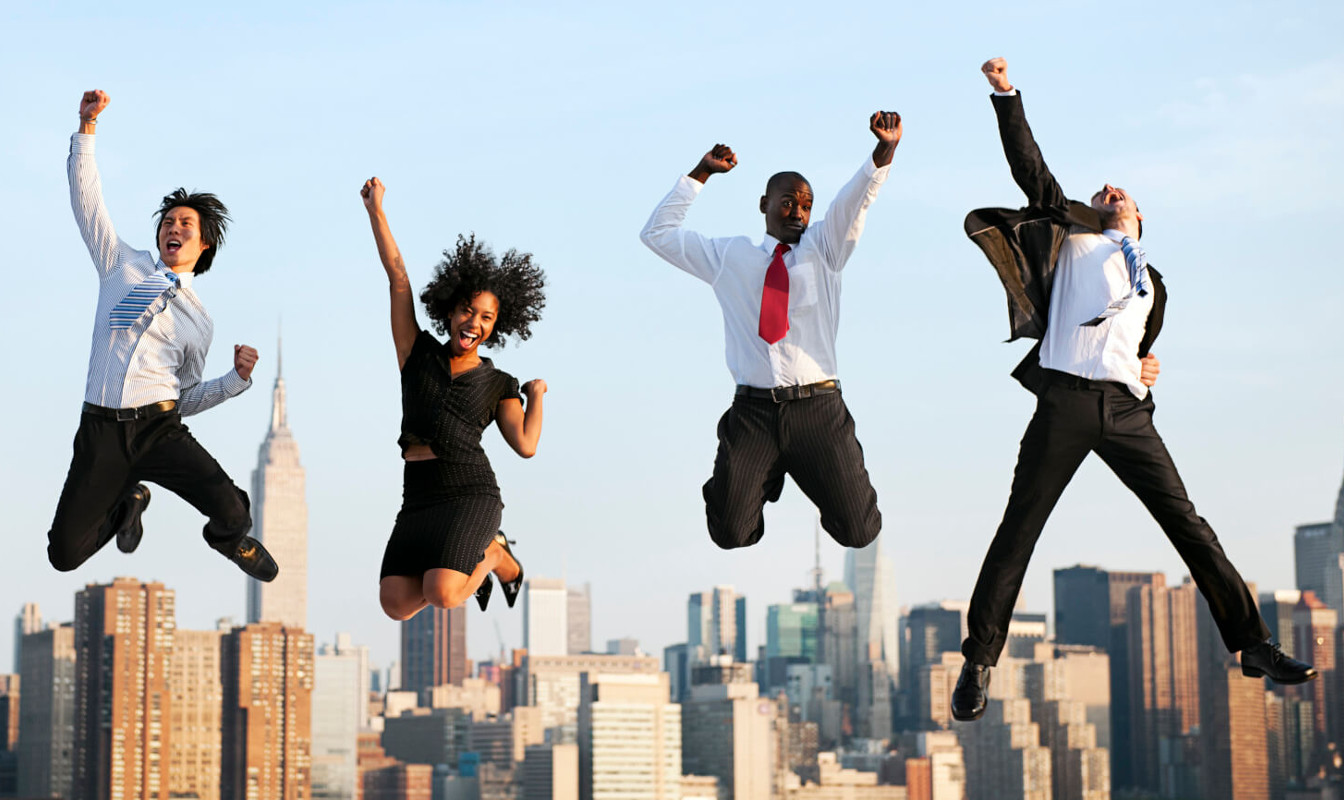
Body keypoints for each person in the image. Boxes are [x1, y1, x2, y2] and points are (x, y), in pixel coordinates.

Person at [950, 58, 1315, 722]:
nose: (1112, 190)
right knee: (1020, 528)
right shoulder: (1073, 236)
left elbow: (1142, 350)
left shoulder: (1156, 284)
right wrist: (1005, 94)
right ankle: (978, 662)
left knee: (1189, 526)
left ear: (1141, 216)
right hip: (1064, 401)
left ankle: (1254, 644)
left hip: (1125, 412)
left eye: (1125, 192)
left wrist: (1149, 368)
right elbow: (1030, 169)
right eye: (1105, 190)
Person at [639, 111, 902, 550]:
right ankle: (751, 473)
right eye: (787, 201)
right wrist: (701, 173)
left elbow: (856, 200)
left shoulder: (825, 249)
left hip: (818, 410)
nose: (797, 212)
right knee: (730, 535)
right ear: (764, 204)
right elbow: (657, 234)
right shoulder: (730, 257)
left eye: (805, 205)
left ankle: (792, 465)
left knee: (860, 533)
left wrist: (884, 151)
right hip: (754, 414)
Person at [47, 89, 278, 582]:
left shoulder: (199, 320)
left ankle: (228, 541)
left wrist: (234, 380)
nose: (173, 228)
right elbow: (88, 201)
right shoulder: (120, 265)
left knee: (234, 511)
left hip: (157, 429)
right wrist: (86, 129)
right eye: (168, 222)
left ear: (203, 242)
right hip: (101, 431)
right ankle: (128, 502)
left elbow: (186, 397)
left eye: (185, 224)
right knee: (63, 554)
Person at [361, 177, 545, 619]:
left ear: (497, 325)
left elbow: (525, 444)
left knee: (442, 592)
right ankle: (481, 562)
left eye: (486, 317)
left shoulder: (499, 382)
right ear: (448, 309)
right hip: (418, 496)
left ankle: (498, 556)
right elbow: (398, 279)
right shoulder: (416, 353)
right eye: (467, 310)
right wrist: (376, 211)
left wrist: (537, 396)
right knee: (396, 605)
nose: (474, 323)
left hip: (470, 492)